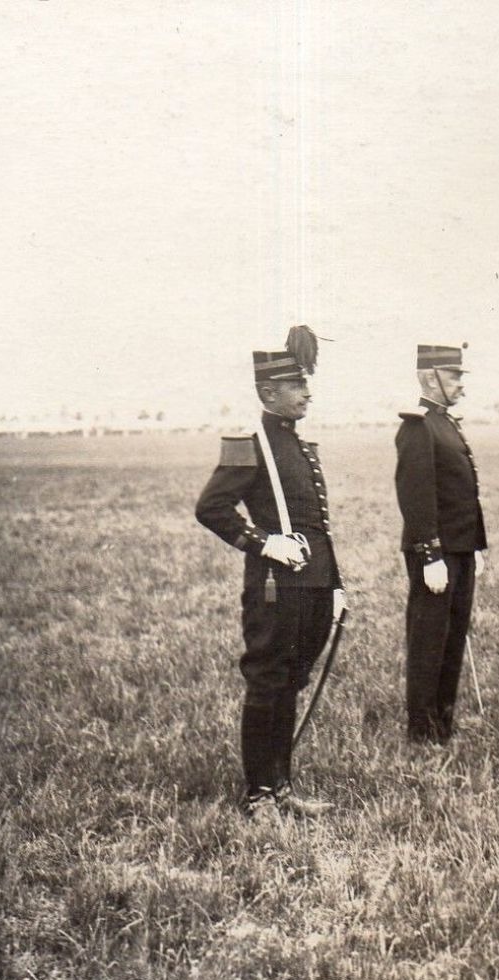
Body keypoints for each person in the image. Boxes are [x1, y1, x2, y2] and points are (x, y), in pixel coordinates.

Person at [195, 326, 346, 817]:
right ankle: (260, 794)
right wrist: (264, 542)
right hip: (275, 587)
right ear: (268, 392)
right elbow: (212, 508)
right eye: (298, 385)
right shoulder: (249, 442)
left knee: (292, 680)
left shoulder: (301, 445)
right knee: (268, 681)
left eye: (306, 382)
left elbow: (317, 524)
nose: (308, 392)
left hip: (314, 585)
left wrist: (336, 586)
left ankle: (282, 789)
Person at [395, 344, 487, 745]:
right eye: (455, 377)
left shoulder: (446, 423)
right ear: (430, 378)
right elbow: (416, 497)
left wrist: (475, 547)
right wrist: (430, 555)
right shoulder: (418, 427)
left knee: (453, 636)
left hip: (461, 549)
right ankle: (422, 732)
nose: (461, 385)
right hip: (436, 553)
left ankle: (442, 726)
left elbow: (463, 491)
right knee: (429, 640)